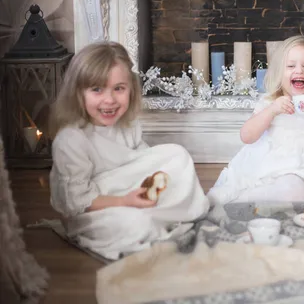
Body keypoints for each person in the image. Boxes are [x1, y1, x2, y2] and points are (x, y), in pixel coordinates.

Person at [49, 42, 209, 260]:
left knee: (177, 155)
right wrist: (125, 201)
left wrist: (148, 188)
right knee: (138, 225)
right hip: (96, 210)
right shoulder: (71, 139)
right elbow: (76, 203)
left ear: (131, 89)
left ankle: (157, 212)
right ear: (78, 92)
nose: (109, 100)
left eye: (119, 88)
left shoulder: (128, 124)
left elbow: (143, 164)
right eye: (97, 89)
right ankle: (154, 218)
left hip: (131, 195)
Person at [207, 35, 304, 205]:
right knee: (294, 192)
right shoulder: (270, 101)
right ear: (280, 72)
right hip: (278, 169)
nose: (299, 71)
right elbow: (247, 136)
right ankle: (245, 199)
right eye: (291, 66)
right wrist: (271, 111)